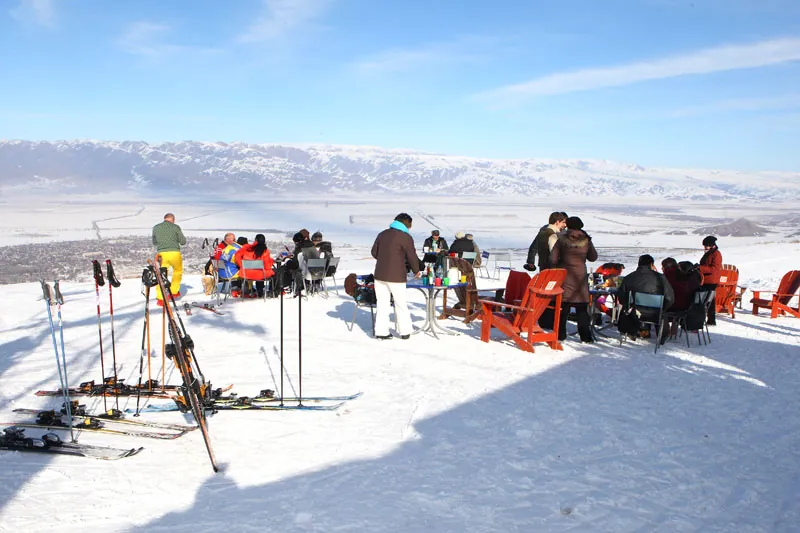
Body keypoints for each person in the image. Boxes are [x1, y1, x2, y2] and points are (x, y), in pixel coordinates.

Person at [371, 213, 422, 339]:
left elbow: (374, 252)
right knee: (400, 303)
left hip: (380, 275)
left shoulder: (382, 234)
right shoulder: (405, 237)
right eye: (410, 224)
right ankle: (404, 331)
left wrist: (384, 260)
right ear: (406, 223)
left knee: (382, 304)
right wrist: (416, 270)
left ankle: (381, 332)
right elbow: (412, 256)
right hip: (396, 276)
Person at [550, 216, 598, 342]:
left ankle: (560, 335)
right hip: (580, 277)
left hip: (565, 276)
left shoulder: (561, 239)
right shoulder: (586, 239)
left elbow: (553, 259)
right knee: (582, 309)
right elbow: (593, 257)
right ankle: (585, 337)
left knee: (563, 308)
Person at [617, 254, 675, 344]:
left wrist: (628, 306)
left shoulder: (629, 277)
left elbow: (621, 296)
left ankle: (634, 330)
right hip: (656, 313)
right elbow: (670, 298)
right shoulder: (661, 278)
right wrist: (663, 309)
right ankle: (661, 334)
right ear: (651, 264)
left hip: (635, 313)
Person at [152, 212, 187, 305]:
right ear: (173, 220)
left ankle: (160, 298)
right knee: (177, 271)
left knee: (161, 274)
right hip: (174, 253)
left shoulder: (156, 227)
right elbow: (183, 241)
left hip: (161, 254)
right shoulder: (175, 227)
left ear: (164, 219)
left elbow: (154, 242)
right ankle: (174, 292)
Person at [697, 236, 722, 326]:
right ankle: (709, 320)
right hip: (706, 280)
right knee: (708, 301)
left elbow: (714, 269)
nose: (704, 248)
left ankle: (711, 320)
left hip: (711, 281)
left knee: (709, 301)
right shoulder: (709, 253)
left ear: (711, 245)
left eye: (706, 246)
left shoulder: (716, 254)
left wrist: (700, 268)